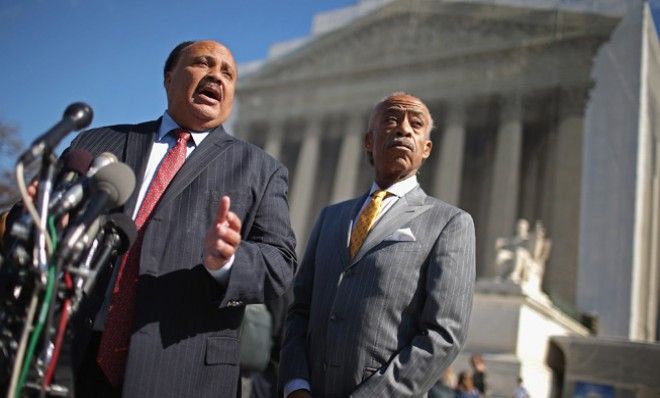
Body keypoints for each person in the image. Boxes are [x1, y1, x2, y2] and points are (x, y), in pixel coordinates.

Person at [66, 40, 296, 397]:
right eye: (204, 63)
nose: (217, 77)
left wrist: (229, 261)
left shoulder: (261, 170)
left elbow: (280, 264)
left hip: (183, 371)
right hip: (70, 355)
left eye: (228, 73)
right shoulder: (99, 143)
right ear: (169, 77)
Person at [279, 92, 476, 397]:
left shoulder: (449, 223)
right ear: (368, 141)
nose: (403, 129)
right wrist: (295, 384)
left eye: (416, 123)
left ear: (426, 148)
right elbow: (299, 310)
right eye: (392, 119)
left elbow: (443, 334)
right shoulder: (331, 218)